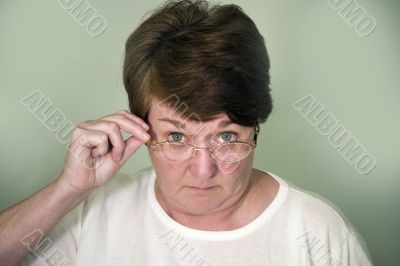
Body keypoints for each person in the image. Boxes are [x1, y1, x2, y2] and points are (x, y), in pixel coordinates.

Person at [0, 0, 373, 265]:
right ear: (140, 128)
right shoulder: (93, 210)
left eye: (226, 137)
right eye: (176, 137)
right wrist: (69, 189)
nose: (203, 170)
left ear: (255, 124)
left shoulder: (317, 232)